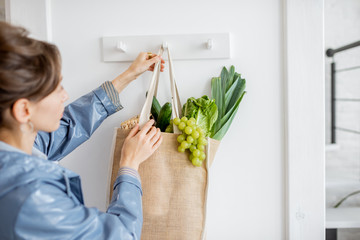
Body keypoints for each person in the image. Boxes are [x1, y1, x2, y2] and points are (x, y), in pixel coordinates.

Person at [0, 21, 165, 239]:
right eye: (56, 88)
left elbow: (66, 129)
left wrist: (129, 75)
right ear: (23, 109)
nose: (65, 95)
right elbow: (122, 236)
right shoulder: (34, 198)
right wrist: (129, 165)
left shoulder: (13, 150)